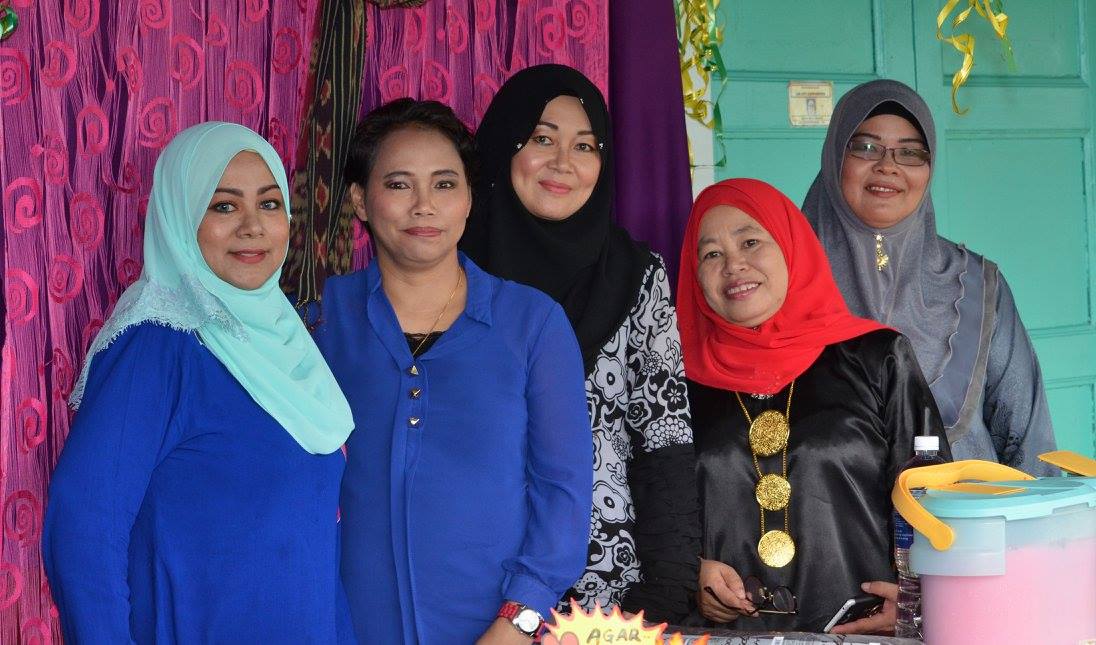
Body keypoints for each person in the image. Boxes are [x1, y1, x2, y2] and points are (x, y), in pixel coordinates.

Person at [42, 122, 355, 642]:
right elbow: (84, 528)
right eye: (224, 206)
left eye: (270, 204)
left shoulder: (290, 344)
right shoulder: (158, 345)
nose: (252, 226)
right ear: (180, 217)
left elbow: (319, 553)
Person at [312, 98, 593, 644]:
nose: (424, 206)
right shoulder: (321, 322)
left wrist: (518, 621)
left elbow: (563, 493)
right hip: (348, 626)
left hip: (499, 631)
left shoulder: (531, 324)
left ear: (468, 199)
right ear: (360, 200)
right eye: (398, 184)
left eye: (444, 184)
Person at [461, 64, 700, 622]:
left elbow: (664, 441)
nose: (564, 163)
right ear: (503, 144)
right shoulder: (453, 271)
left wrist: (665, 596)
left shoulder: (637, 276)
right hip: (468, 583)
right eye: (542, 139)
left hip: (604, 599)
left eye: (585, 146)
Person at [678, 178, 952, 633]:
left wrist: (914, 599)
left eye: (750, 242)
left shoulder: (875, 356)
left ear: (791, 246)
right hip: (724, 636)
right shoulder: (676, 381)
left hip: (863, 632)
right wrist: (691, 573)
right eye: (710, 254)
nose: (733, 265)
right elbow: (650, 507)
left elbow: (933, 491)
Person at [802, 79, 1056, 475]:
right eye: (866, 147)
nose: (888, 166)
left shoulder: (975, 286)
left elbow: (1026, 434)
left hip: (967, 512)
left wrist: (1035, 513)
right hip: (831, 514)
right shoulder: (783, 282)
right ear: (835, 156)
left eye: (910, 152)